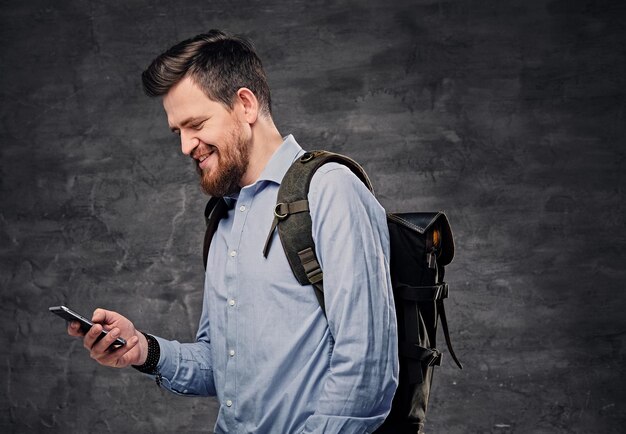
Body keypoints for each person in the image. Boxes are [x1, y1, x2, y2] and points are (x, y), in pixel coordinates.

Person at [68, 29, 398, 434]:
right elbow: (221, 363)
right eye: (178, 132)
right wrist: (143, 350)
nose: (186, 146)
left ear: (245, 104)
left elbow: (367, 368)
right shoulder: (224, 216)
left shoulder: (330, 190)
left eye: (196, 124)